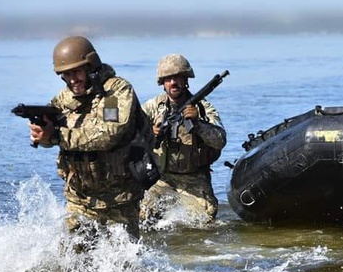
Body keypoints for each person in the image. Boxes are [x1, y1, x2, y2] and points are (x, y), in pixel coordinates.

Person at [29, 35, 153, 242]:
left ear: (91, 66)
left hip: (120, 197)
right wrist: (43, 135)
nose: (72, 79)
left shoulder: (116, 92)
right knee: (71, 260)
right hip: (80, 197)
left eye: (76, 72)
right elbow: (51, 136)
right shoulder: (63, 99)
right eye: (66, 74)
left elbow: (110, 133)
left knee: (125, 265)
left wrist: (57, 136)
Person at [141, 54, 226, 225]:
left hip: (194, 178)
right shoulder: (151, 107)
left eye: (177, 77)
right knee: (142, 217)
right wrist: (149, 134)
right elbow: (128, 137)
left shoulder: (202, 108)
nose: (173, 82)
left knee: (205, 220)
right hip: (161, 179)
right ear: (162, 83)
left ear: (185, 79)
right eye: (168, 78)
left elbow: (220, 140)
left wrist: (198, 124)